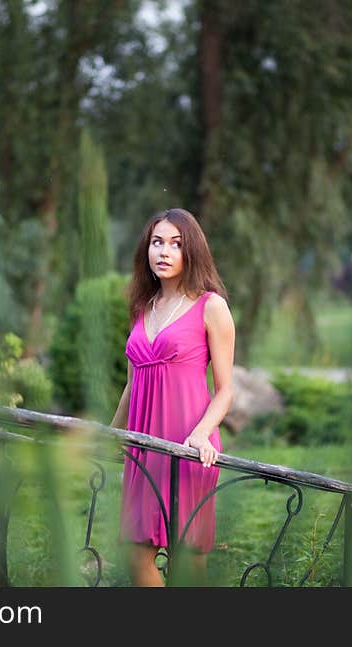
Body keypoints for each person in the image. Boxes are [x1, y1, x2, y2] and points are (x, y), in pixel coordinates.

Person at [109, 208, 235, 586]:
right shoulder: (141, 308)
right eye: (157, 242)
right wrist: (111, 432)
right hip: (144, 446)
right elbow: (132, 385)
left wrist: (201, 433)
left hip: (190, 444)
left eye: (176, 244)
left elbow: (225, 389)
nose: (164, 252)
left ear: (191, 251)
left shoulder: (211, 306)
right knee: (136, 556)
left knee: (186, 564)